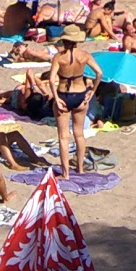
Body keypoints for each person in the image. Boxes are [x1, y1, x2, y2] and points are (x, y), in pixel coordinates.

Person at [47, 25, 97, 178]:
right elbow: (99, 73)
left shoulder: (59, 57)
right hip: (81, 94)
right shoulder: (84, 55)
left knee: (63, 136)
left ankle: (66, 173)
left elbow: (51, 79)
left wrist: (55, 98)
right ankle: (80, 168)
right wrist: (92, 92)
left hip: (63, 95)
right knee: (79, 134)